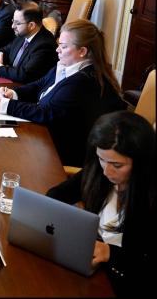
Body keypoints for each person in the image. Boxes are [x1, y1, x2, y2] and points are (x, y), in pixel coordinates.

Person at [0, 19, 126, 168]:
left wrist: (7, 106)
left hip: (64, 153)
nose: (57, 50)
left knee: (1, 157)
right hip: (46, 135)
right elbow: (39, 85)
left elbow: (48, 113)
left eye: (63, 46)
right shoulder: (66, 65)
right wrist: (14, 93)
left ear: (82, 51)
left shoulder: (83, 81)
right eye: (59, 44)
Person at [46, 111, 156, 297]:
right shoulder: (100, 169)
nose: (106, 171)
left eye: (117, 165)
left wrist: (110, 253)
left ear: (141, 163)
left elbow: (146, 261)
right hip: (91, 263)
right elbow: (57, 194)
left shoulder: (149, 196)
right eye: (101, 159)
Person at [0, 1, 57, 83]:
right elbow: (5, 50)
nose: (12, 26)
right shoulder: (23, 34)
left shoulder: (45, 45)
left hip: (24, 87)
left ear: (31, 25)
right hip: (10, 82)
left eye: (17, 23)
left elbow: (25, 75)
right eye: (13, 21)